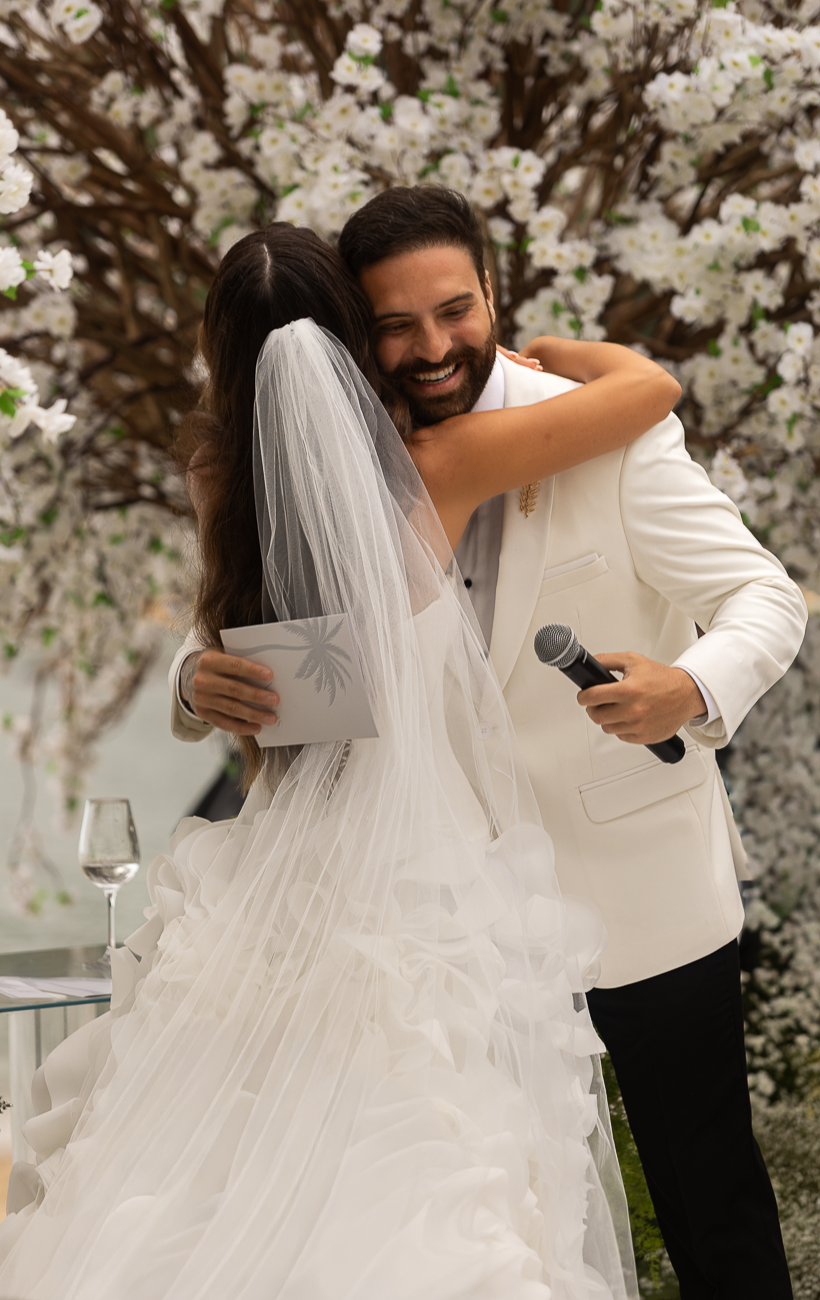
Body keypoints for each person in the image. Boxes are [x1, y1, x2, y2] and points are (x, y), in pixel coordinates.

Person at [0, 224, 683, 1299]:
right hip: (423, 865)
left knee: (223, 1142)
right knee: (432, 1145)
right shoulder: (441, 464)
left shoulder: (214, 474)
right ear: (357, 342)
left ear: (220, 354)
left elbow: (245, 690)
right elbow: (651, 390)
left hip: (280, 864)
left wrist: (193, 682)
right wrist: (565, 347)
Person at [172, 190, 808, 1298]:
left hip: (635, 895)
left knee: (711, 1207)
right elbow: (311, 691)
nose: (432, 348)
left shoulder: (586, 428)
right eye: (395, 327)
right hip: (437, 932)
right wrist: (195, 677)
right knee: (490, 1223)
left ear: (492, 291)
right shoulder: (329, 482)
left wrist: (692, 684)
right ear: (347, 338)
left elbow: (763, 593)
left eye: (456, 311)